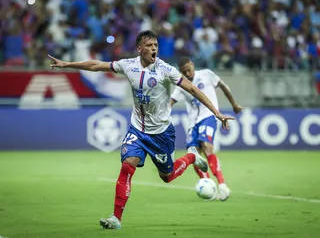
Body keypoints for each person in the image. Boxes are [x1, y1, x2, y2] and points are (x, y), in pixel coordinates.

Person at [48, 30, 235, 230]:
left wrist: (217, 112)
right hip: (137, 129)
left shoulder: (166, 69)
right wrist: (67, 64)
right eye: (149, 45)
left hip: (161, 133)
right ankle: (116, 218)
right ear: (139, 49)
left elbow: (193, 89)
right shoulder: (128, 65)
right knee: (127, 166)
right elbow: (96, 65)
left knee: (167, 176)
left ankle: (190, 157)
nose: (154, 48)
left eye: (155, 45)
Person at [171, 57, 242, 201]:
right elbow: (170, 102)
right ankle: (209, 186)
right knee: (194, 156)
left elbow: (223, 86)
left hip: (208, 116)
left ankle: (222, 184)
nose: (188, 74)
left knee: (207, 147)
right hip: (192, 122)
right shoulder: (181, 84)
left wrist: (234, 104)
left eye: (189, 70)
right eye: (184, 72)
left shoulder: (206, 74)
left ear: (192, 64)